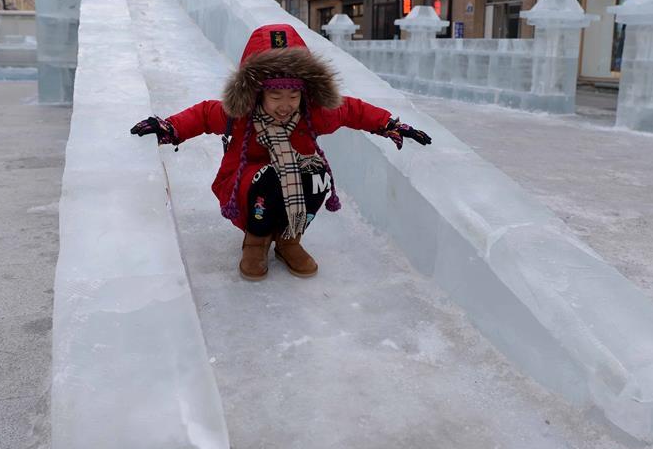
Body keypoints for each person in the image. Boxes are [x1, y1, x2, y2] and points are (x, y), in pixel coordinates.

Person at [130, 24, 432, 281]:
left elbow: (352, 110)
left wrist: (389, 124)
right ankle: (256, 241)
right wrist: (169, 127)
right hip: (247, 182)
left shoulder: (312, 115)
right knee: (269, 178)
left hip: (294, 180)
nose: (285, 105)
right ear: (258, 92)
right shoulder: (241, 114)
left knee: (316, 175)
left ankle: (289, 239)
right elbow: (204, 115)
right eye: (275, 96)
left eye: (293, 95)